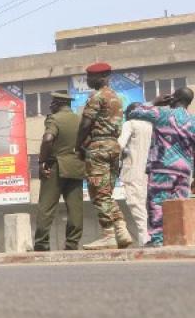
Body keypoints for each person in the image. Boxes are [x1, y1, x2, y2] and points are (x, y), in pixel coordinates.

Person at [128, 87, 195, 247]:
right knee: (179, 204)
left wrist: (154, 102)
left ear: (174, 98)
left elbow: (133, 112)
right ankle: (179, 238)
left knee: (158, 203)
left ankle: (158, 240)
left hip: (163, 168)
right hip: (184, 170)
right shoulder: (193, 121)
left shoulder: (163, 114)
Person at [75, 63, 132, 250]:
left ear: (101, 77)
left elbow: (85, 124)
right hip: (114, 147)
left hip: (98, 147)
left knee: (98, 194)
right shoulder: (117, 98)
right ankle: (121, 231)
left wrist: (78, 146)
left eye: (90, 77)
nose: (88, 81)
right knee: (106, 193)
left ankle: (108, 235)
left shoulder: (96, 97)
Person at [33, 91, 86, 251]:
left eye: (51, 103)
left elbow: (48, 139)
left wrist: (42, 162)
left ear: (57, 103)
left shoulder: (54, 119)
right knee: (75, 207)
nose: (50, 106)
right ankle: (72, 243)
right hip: (76, 166)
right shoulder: (80, 120)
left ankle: (42, 244)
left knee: (46, 207)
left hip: (56, 166)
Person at [117, 102, 154, 245]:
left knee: (136, 205)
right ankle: (148, 238)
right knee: (145, 206)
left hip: (132, 170)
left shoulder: (130, 124)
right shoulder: (150, 126)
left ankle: (144, 240)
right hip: (147, 172)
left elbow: (120, 144)